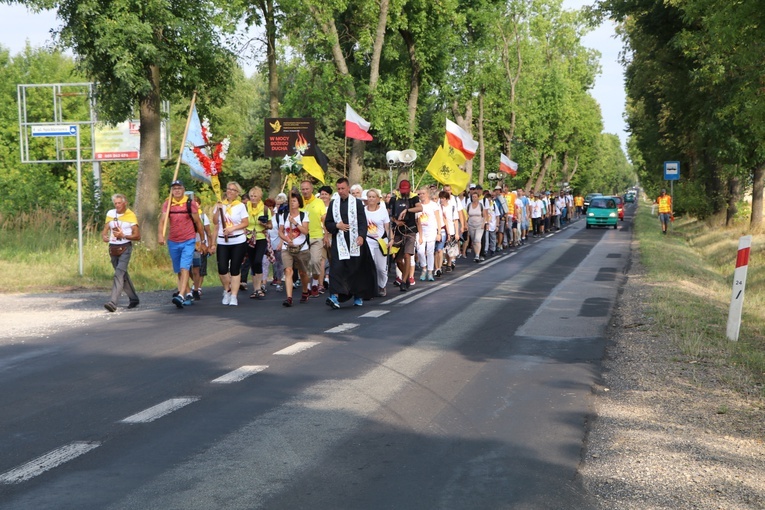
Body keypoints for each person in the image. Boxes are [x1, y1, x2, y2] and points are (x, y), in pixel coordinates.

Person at [324, 177, 377, 308]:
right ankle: (334, 296)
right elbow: (328, 223)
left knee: (355, 269)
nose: (341, 191)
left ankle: (358, 296)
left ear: (348, 188)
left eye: (343, 188)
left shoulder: (357, 203)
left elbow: (362, 221)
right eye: (338, 189)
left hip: (354, 241)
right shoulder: (333, 204)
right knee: (336, 269)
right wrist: (337, 226)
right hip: (340, 241)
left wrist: (361, 236)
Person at [158, 180, 205, 308]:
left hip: (188, 240)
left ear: (184, 190)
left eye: (179, 188)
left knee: (185, 266)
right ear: (171, 191)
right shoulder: (168, 204)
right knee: (179, 269)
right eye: (174, 188)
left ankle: (181, 295)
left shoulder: (190, 204)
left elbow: (198, 223)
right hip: (173, 240)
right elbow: (162, 221)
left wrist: (202, 240)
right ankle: (188, 292)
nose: (177, 190)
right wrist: (160, 235)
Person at [210, 181, 249, 306]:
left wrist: (232, 229)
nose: (230, 191)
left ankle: (234, 296)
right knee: (222, 269)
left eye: (233, 190)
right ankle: (227, 289)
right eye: (228, 189)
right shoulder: (220, 204)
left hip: (237, 240)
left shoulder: (240, 206)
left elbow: (245, 223)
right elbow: (215, 222)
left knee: (234, 269)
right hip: (223, 241)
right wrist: (218, 210)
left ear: (237, 193)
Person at [101, 194, 140, 312]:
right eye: (115, 203)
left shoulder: (131, 216)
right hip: (113, 248)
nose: (117, 205)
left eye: (119, 203)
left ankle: (113, 302)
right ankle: (134, 298)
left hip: (125, 247)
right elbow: (105, 229)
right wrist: (104, 236)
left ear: (125, 203)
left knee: (118, 273)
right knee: (122, 274)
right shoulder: (110, 213)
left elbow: (137, 236)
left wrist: (124, 235)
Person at [278, 191, 311, 307]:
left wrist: (295, 223)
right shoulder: (284, 215)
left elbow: (305, 231)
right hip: (287, 248)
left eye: (294, 201)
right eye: (290, 201)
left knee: (302, 272)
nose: (292, 203)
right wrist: (286, 239)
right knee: (288, 270)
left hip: (301, 248)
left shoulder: (304, 215)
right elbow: (280, 231)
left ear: (299, 202)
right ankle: (289, 297)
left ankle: (305, 290)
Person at [388, 179, 422, 292]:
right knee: (397, 259)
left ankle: (403, 281)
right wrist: (396, 221)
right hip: (398, 231)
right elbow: (389, 214)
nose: (404, 192)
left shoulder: (414, 197)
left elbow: (420, 208)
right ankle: (406, 276)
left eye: (406, 190)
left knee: (407, 255)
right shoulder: (394, 198)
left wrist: (407, 210)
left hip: (410, 229)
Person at [300, 180, 329, 298]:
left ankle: (316, 282)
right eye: (303, 189)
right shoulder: (298, 201)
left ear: (311, 189)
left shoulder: (319, 202)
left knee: (316, 261)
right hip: (302, 237)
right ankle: (306, 288)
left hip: (316, 236)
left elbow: (324, 219)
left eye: (307, 189)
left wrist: (326, 234)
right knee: (304, 264)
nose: (305, 191)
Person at [245, 186, 272, 299]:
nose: (253, 198)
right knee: (252, 262)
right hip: (249, 236)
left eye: (255, 196)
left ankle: (259, 287)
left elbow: (270, 225)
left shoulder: (265, 209)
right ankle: (256, 288)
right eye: (251, 196)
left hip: (261, 237)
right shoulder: (245, 208)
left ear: (260, 197)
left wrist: (265, 224)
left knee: (258, 261)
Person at [364, 188, 391, 296]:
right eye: (369, 196)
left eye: (373, 197)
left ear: (378, 199)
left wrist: (391, 240)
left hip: (380, 242)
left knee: (381, 268)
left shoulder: (383, 211)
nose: (371, 199)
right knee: (369, 266)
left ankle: (382, 285)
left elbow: (388, 228)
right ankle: (370, 288)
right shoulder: (363, 210)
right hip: (367, 241)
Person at [416, 186, 443, 281]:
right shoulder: (418, 205)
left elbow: (438, 219)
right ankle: (424, 268)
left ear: (427, 194)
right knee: (420, 251)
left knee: (430, 252)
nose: (421, 195)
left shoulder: (433, 205)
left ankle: (430, 272)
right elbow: (417, 221)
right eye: (420, 194)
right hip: (421, 231)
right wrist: (419, 235)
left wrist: (439, 233)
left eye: (423, 193)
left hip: (431, 231)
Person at [191, 194, 212, 300]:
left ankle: (198, 287)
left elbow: (208, 232)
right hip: (190, 243)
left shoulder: (203, 217)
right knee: (190, 268)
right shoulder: (188, 215)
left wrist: (210, 245)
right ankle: (194, 283)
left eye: (196, 202)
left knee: (200, 267)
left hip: (201, 244)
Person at [466, 189, 489, 262]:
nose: (474, 198)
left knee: (477, 240)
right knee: (473, 240)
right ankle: (476, 254)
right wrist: (466, 224)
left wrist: (484, 224)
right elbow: (467, 215)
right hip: (471, 225)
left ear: (478, 197)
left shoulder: (481, 205)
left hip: (479, 225)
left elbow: (485, 216)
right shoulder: (469, 205)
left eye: (475, 197)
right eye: (473, 197)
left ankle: (477, 255)